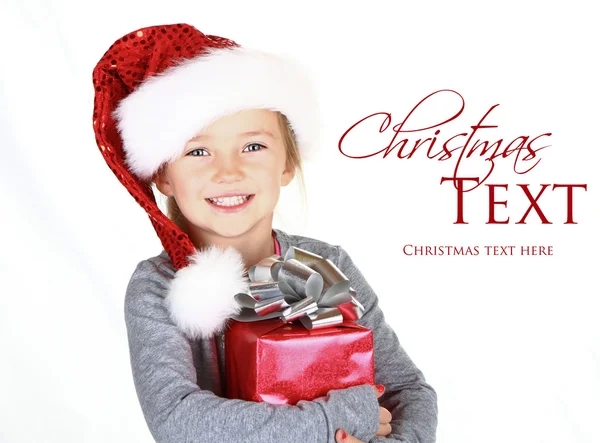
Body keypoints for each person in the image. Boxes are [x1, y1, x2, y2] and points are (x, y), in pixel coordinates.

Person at [92, 23, 437, 443]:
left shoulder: (328, 265)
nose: (228, 171)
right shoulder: (157, 286)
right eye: (198, 151)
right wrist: (336, 421)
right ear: (163, 176)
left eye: (253, 146)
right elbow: (179, 420)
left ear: (287, 165)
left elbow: (407, 391)